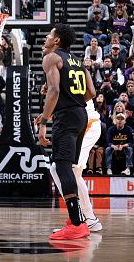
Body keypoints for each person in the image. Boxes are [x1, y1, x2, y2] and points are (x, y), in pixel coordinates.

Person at [37, 24, 96, 240]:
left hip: (68, 117)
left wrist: (44, 121)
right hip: (81, 114)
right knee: (67, 166)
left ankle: (78, 224)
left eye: (50, 34)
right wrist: (70, 102)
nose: (46, 36)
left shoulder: (51, 58)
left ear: (57, 41)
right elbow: (91, 92)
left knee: (62, 166)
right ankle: (76, 219)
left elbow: (53, 90)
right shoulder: (79, 61)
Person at [49, 98, 103, 233]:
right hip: (84, 123)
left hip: (86, 124)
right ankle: (89, 219)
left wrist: (45, 118)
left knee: (59, 169)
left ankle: (80, 218)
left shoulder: (60, 78)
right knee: (74, 173)